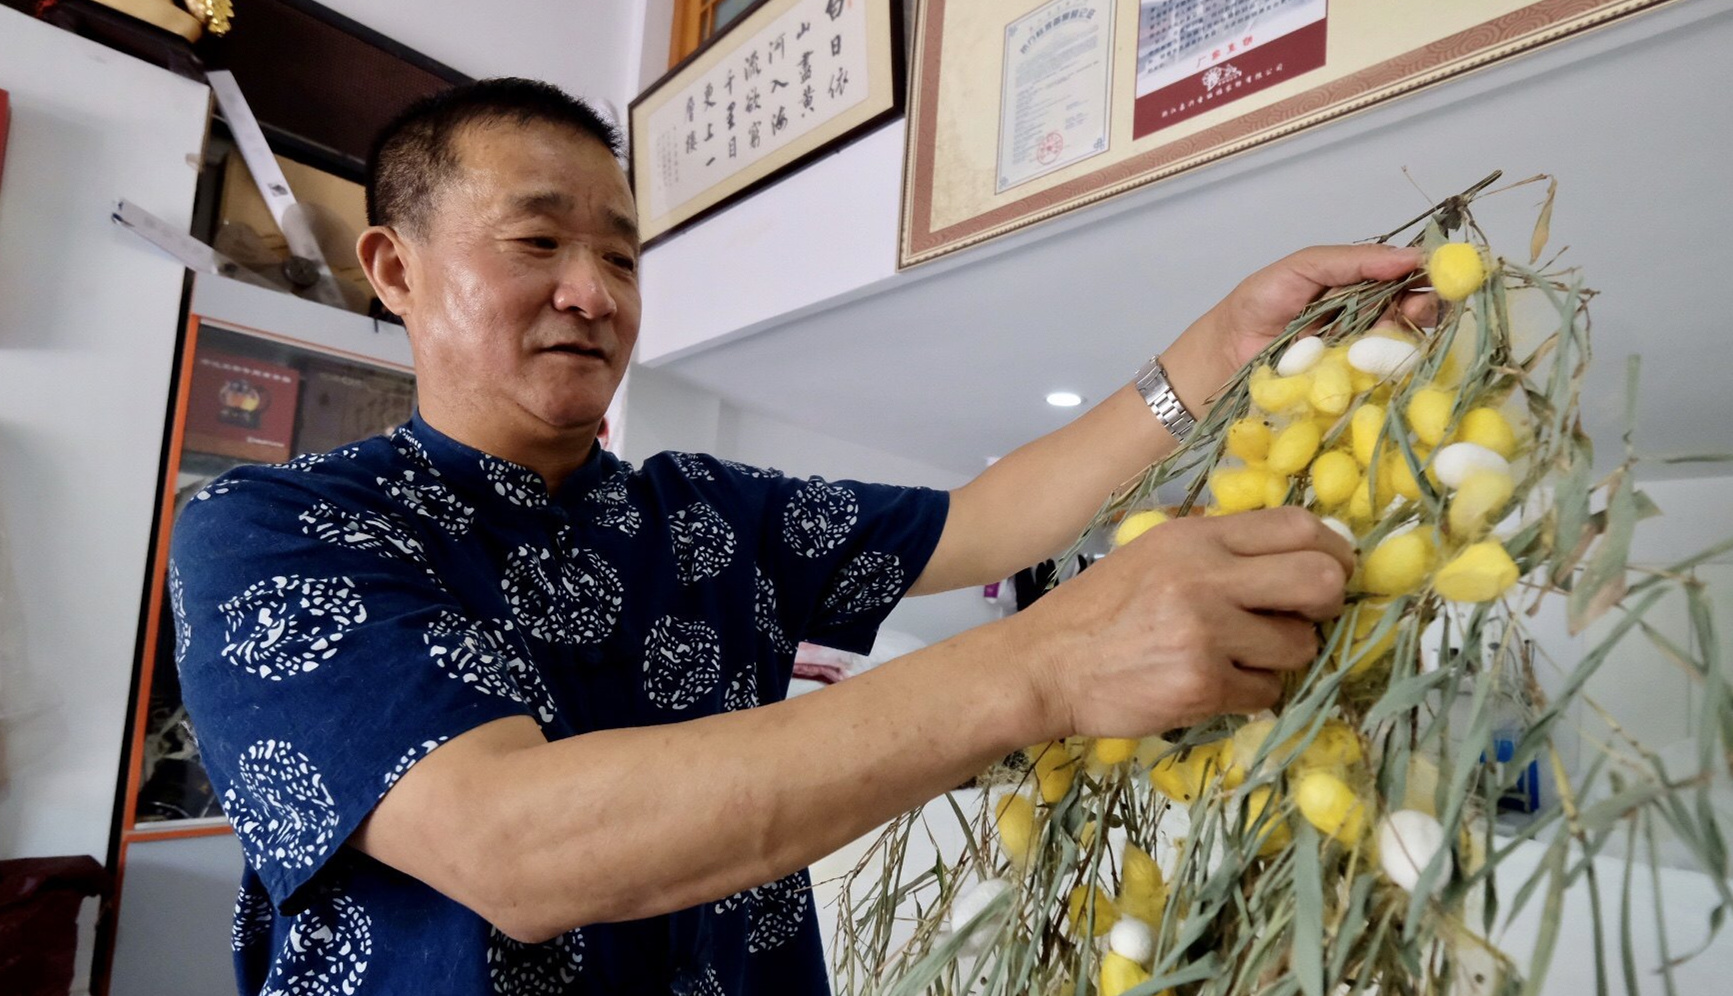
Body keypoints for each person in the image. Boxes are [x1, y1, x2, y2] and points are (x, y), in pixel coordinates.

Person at [169, 78, 1431, 996]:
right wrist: (1043, 664)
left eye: (620, 253)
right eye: (537, 241)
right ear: (392, 269)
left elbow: (988, 520)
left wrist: (1217, 351)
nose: (594, 291)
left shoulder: (713, 512)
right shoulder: (274, 533)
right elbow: (512, 844)